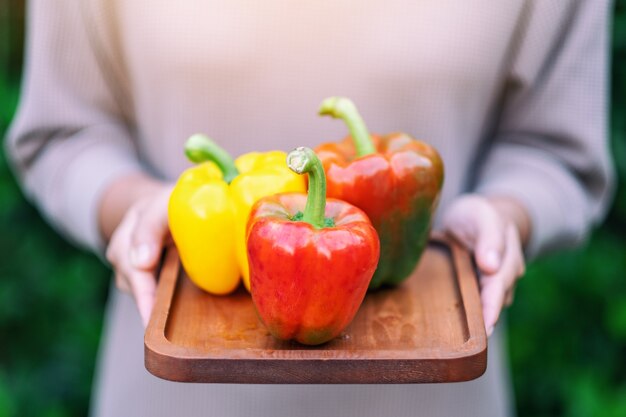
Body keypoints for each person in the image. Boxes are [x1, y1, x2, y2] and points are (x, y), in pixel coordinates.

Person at [5, 1, 615, 416]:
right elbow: (63, 130)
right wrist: (134, 208)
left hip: (435, 396)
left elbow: (557, 148)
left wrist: (509, 215)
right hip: (172, 396)